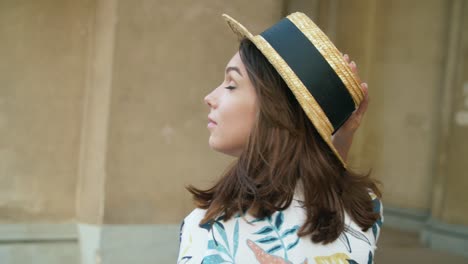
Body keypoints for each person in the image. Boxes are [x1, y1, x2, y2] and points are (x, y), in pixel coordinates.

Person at [178, 12, 383, 264]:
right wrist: (338, 141)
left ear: (276, 109)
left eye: (231, 84)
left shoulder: (211, 230)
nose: (210, 97)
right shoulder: (365, 209)